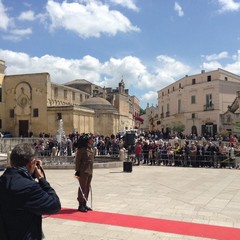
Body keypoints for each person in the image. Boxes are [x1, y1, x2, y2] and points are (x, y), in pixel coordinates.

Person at [0, 143, 61, 240]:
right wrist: (41, 179)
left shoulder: (3, 180)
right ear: (32, 163)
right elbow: (54, 205)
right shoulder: (30, 187)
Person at [75, 134, 95, 212]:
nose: (92, 140)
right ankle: (80, 204)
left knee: (87, 187)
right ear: (87, 140)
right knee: (82, 187)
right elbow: (77, 161)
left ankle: (84, 203)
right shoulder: (81, 150)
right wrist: (77, 171)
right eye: (91, 139)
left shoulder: (90, 149)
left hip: (89, 170)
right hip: (83, 171)